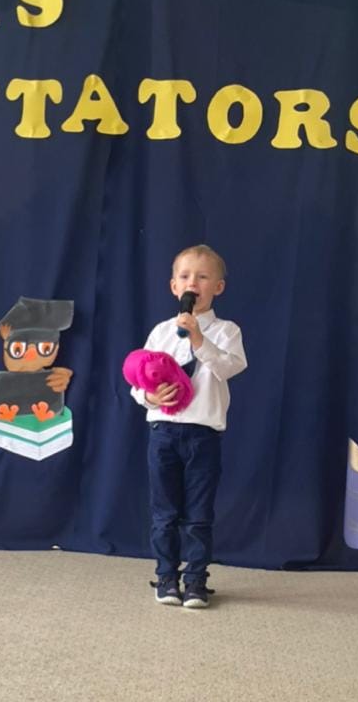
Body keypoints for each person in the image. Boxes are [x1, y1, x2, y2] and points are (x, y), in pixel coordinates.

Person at [129, 245, 246, 608]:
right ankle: (166, 576)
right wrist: (150, 397)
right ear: (174, 287)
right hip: (163, 432)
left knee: (198, 514)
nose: (192, 282)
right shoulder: (161, 332)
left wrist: (198, 338)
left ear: (218, 287)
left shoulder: (226, 331)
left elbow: (230, 367)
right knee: (164, 512)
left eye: (203, 276)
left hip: (202, 435)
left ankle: (195, 579)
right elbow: (137, 382)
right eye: (184, 276)